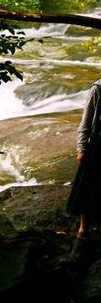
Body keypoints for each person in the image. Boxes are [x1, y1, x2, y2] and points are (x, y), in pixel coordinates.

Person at [68, 81, 101, 238]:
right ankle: (83, 227)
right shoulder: (97, 89)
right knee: (87, 186)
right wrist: (81, 148)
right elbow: (86, 122)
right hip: (98, 143)